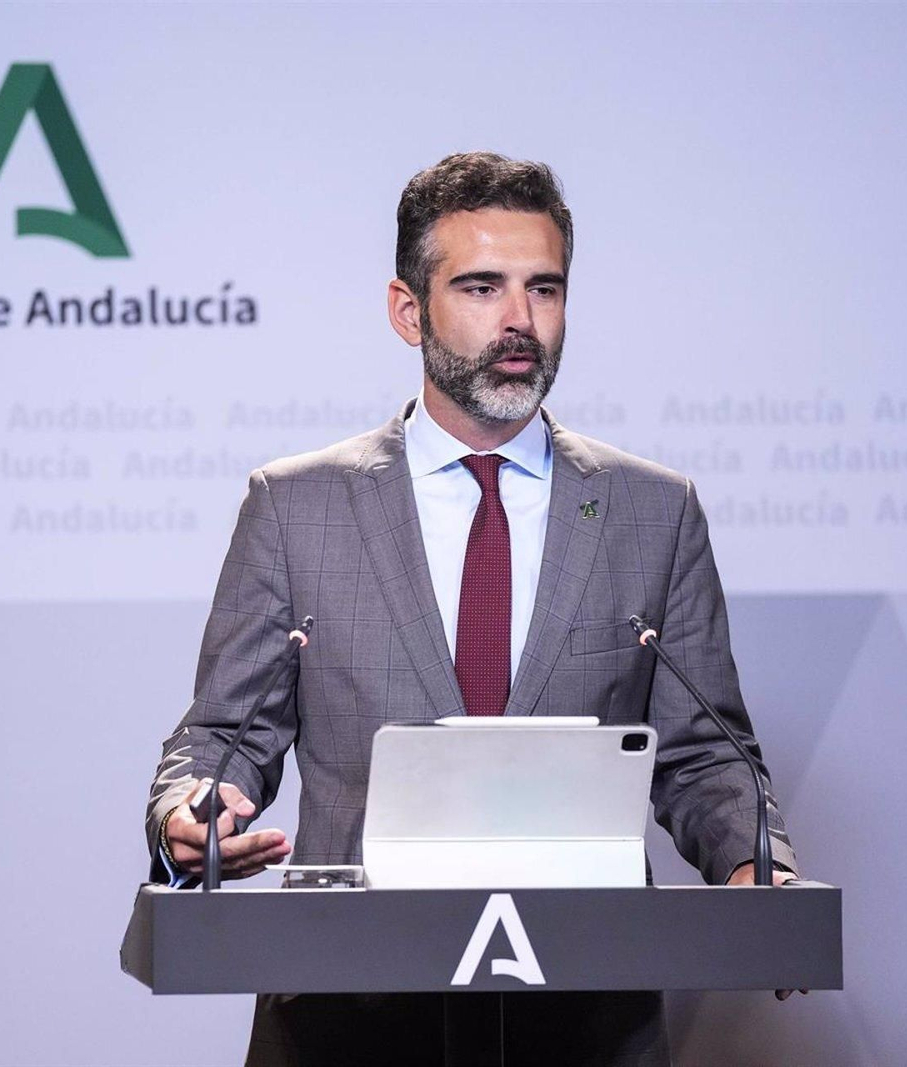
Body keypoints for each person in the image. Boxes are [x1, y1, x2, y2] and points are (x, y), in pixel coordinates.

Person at [145, 151, 799, 1067]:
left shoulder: (654, 512)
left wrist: (754, 864)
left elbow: (702, 753)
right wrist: (190, 810)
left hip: (582, 1021)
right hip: (352, 1014)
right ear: (408, 310)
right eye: (483, 287)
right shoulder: (296, 508)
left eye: (545, 288)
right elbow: (227, 732)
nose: (521, 319)